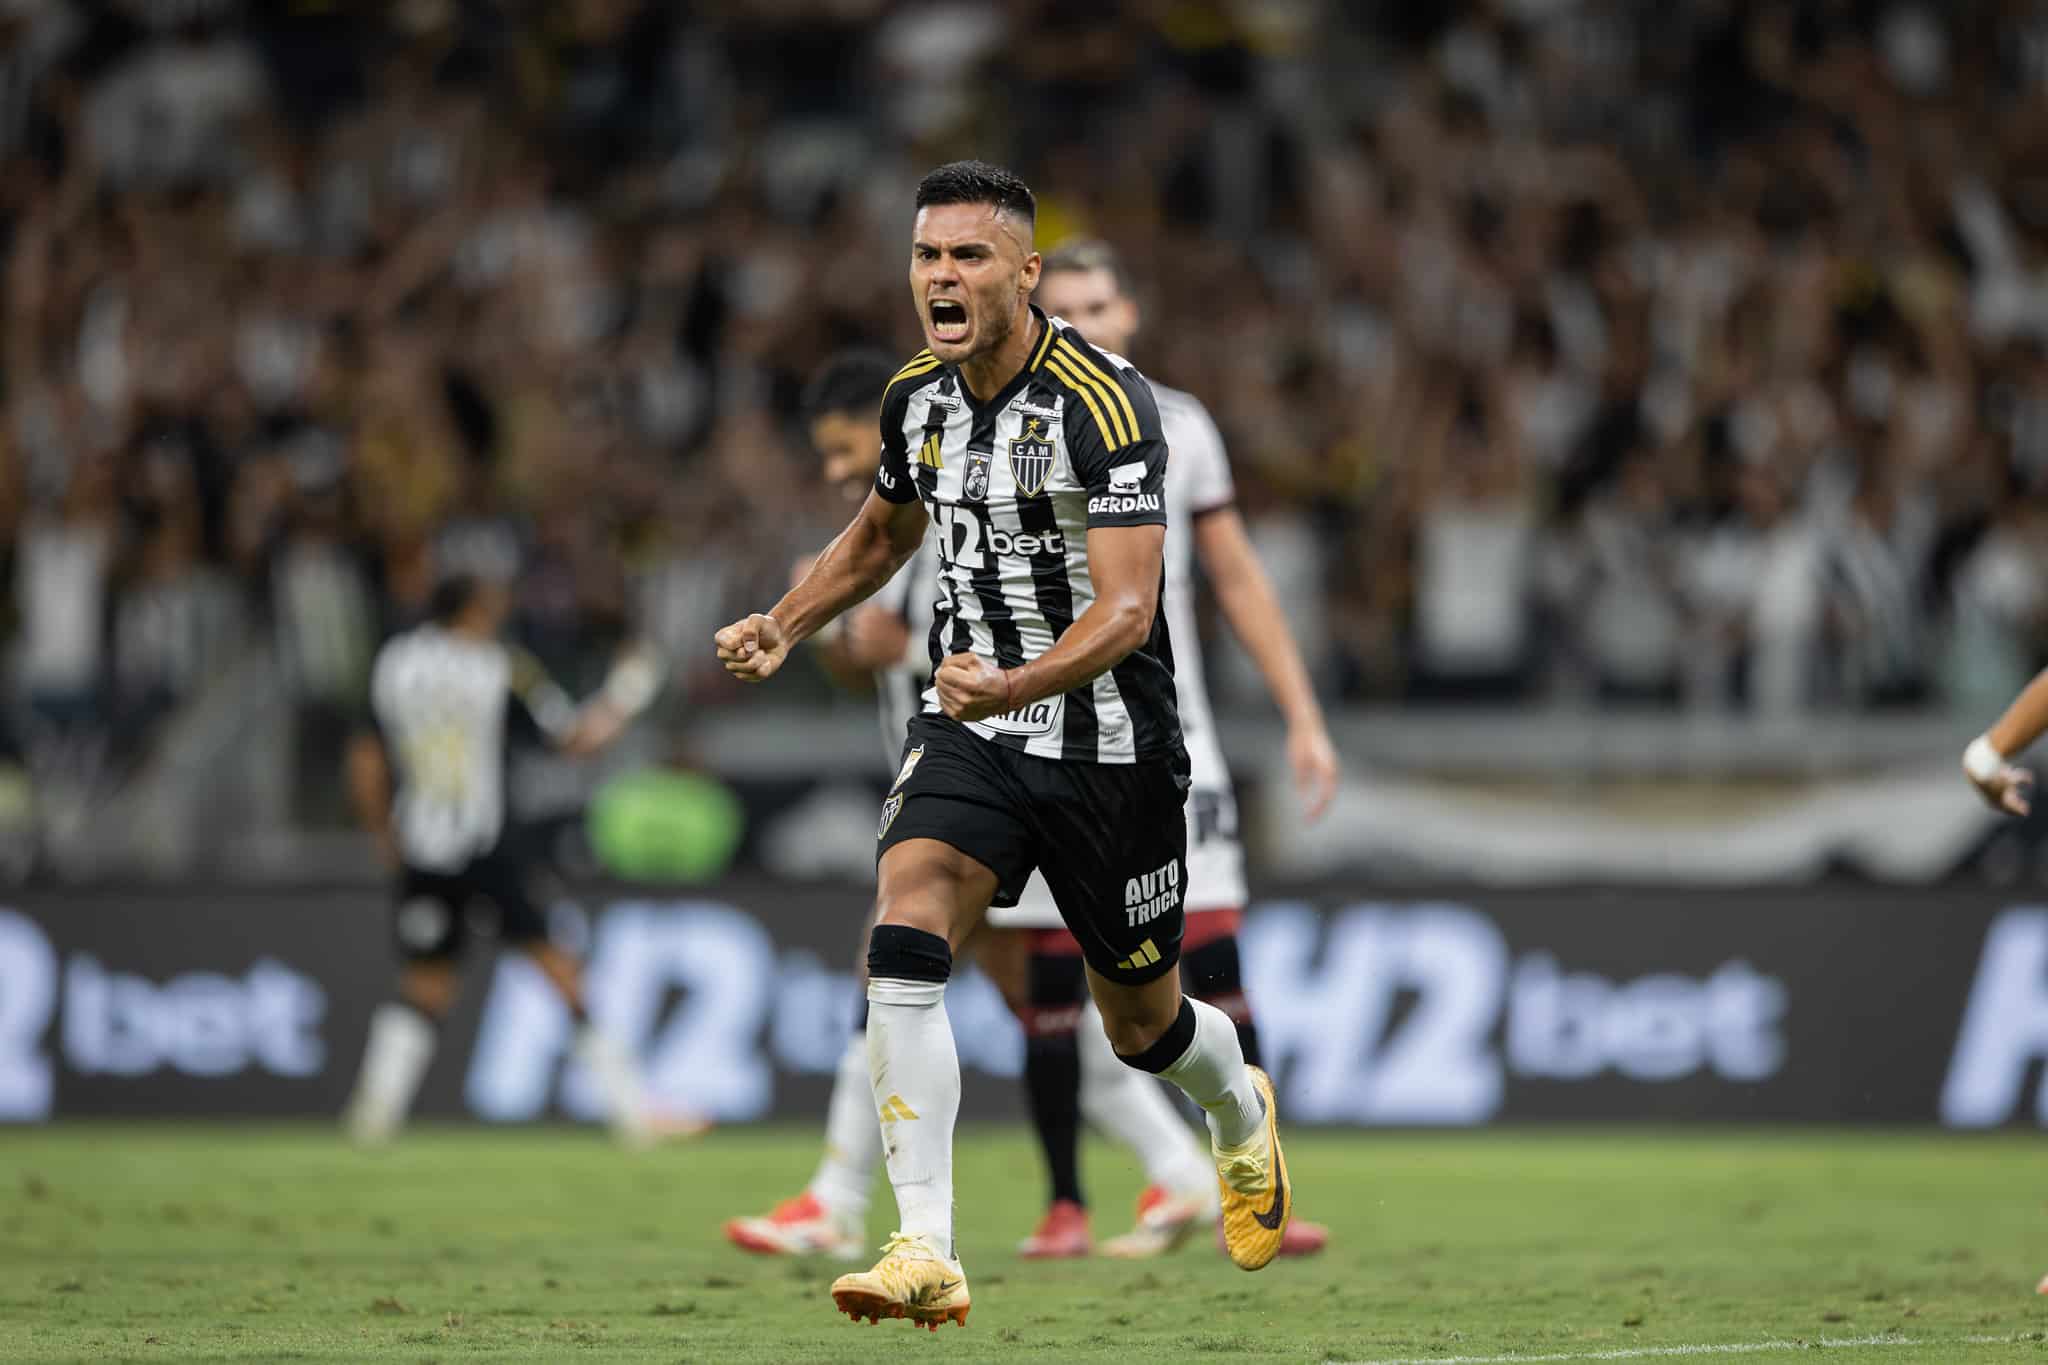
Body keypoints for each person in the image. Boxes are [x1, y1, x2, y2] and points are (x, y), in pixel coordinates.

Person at [716, 160, 1294, 1331]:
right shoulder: (913, 399)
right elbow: (880, 535)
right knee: (904, 924)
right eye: (927, 255)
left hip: (1108, 744)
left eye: (968, 255)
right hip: (969, 730)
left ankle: (1235, 1111)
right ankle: (923, 1243)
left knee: (1142, 1028)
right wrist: (784, 624)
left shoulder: (1107, 407)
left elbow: (1131, 610)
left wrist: (1017, 683)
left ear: (1025, 274)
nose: (942, 275)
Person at [1014, 240, 1339, 1260]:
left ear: (1130, 311)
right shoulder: (1004, 424)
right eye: (1060, 309)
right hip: (1053, 738)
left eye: (1098, 304)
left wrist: (1300, 712)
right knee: (1058, 980)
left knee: (1219, 970)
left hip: (1172, 739)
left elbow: (1235, 577)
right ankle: (1066, 1201)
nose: (1082, 324)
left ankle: (1256, 1191)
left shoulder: (1181, 426)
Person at [341, 571, 660, 1146]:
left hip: (421, 848)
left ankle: (371, 1121)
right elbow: (574, 741)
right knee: (561, 972)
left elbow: (365, 759)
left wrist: (382, 836)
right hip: (488, 845)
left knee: (425, 984)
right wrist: (632, 688)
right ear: (474, 610)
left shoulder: (394, 663)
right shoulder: (499, 666)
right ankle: (633, 1115)